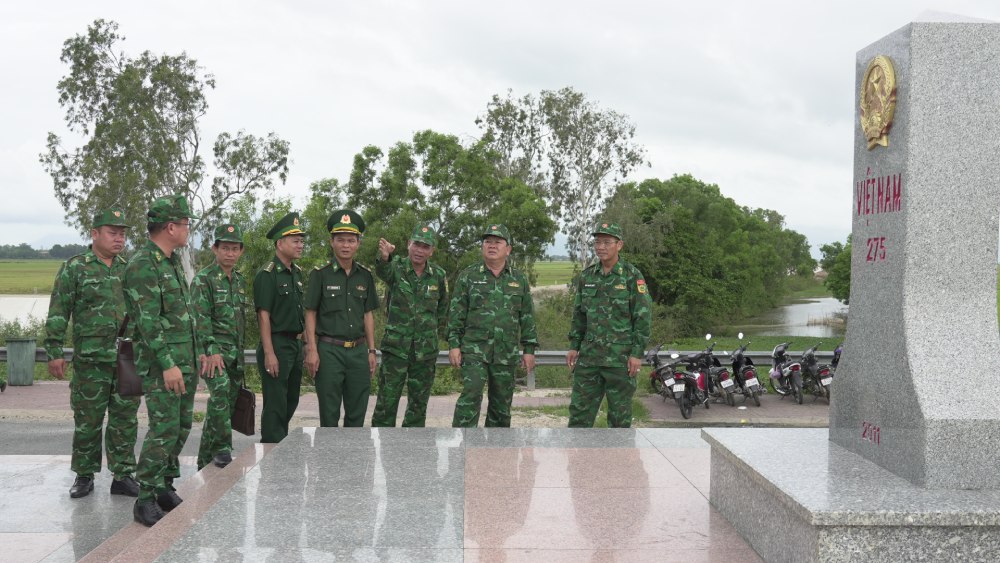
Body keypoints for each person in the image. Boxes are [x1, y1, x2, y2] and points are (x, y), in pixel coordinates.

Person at [43, 208, 140, 499]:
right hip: (91, 360)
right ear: (95, 233)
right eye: (112, 232)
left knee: (125, 419)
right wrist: (54, 351)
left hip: (127, 358)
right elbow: (59, 310)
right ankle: (84, 475)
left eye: (122, 233)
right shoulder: (76, 267)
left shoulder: (130, 269)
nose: (119, 238)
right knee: (88, 420)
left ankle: (122, 475)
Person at [123, 194, 199, 526]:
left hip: (185, 361)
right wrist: (168, 363)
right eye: (185, 224)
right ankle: (146, 498)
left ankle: (165, 485)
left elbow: (184, 316)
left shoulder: (170, 261)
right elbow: (148, 321)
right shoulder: (143, 264)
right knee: (163, 429)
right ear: (171, 227)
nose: (187, 230)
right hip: (163, 365)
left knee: (180, 426)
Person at [448, 224, 537, 427]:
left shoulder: (519, 279)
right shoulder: (468, 276)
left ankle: (495, 453)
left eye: (498, 242)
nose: (492, 246)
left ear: (508, 249)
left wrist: (529, 349)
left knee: (501, 405)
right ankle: (462, 448)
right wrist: (454, 344)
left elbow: (527, 317)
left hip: (506, 353)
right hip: (474, 351)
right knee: (470, 399)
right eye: (488, 241)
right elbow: (456, 314)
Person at [566, 222, 652, 428]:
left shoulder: (632, 276)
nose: (600, 247)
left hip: (620, 360)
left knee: (619, 418)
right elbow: (579, 315)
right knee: (579, 415)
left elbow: (642, 316)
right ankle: (578, 459)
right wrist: (573, 346)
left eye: (606, 242)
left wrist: (636, 353)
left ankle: (619, 460)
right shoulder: (587, 276)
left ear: (619, 245)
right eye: (597, 242)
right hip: (589, 359)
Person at [303, 210, 379, 427]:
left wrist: (371, 351)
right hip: (329, 351)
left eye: (351, 240)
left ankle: (353, 460)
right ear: (332, 242)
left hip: (358, 351)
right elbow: (310, 312)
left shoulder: (365, 275)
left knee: (357, 412)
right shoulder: (320, 274)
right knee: (329, 413)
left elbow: (368, 314)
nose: (346, 245)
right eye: (341, 240)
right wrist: (312, 349)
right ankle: (328, 460)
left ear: (358, 243)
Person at [370, 225, 448, 427]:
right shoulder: (396, 267)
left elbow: (443, 310)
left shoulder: (438, 275)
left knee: (418, 403)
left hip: (425, 351)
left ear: (431, 251)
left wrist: (430, 334)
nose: (419, 250)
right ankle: (381, 447)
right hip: (396, 348)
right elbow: (382, 270)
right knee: (387, 400)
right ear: (408, 245)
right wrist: (385, 256)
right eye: (416, 245)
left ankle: (413, 449)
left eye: (425, 246)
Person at [191, 223, 248, 469]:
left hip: (235, 356)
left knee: (225, 404)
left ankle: (204, 461)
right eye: (225, 248)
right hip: (213, 354)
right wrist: (211, 349)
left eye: (235, 249)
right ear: (215, 249)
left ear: (240, 252)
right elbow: (199, 318)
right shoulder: (204, 279)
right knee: (220, 394)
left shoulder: (240, 281)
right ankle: (223, 448)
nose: (230, 253)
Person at [254, 212, 306, 443]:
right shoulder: (268, 275)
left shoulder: (297, 273)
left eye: (301, 240)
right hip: (276, 343)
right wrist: (269, 353)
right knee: (275, 403)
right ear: (280, 243)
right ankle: (271, 448)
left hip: (295, 345)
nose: (300, 244)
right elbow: (263, 316)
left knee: (291, 399)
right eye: (295, 240)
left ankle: (279, 443)